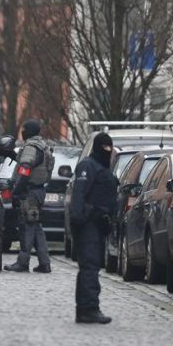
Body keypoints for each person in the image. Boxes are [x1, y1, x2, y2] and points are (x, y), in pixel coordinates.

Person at [70, 132, 118, 324]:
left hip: (98, 223)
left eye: (109, 147)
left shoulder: (101, 167)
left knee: (91, 266)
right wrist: (79, 220)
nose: (107, 151)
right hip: (88, 223)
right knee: (90, 266)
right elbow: (79, 195)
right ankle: (89, 308)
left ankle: (85, 309)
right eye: (104, 147)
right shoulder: (88, 166)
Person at [4, 119, 54, 273]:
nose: (22, 131)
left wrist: (17, 191)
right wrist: (11, 154)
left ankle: (22, 262)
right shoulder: (42, 146)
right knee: (35, 226)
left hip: (30, 193)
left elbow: (25, 169)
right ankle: (44, 263)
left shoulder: (31, 147)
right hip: (38, 191)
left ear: (29, 131)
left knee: (26, 227)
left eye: (24, 129)